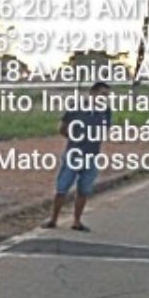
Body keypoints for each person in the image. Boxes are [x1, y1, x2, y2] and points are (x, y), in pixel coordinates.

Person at [43, 81, 112, 232]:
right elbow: (62, 128)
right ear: (92, 93)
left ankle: (77, 220)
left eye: (107, 96)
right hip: (74, 153)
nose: (104, 98)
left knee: (84, 190)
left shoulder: (105, 112)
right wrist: (75, 139)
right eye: (102, 94)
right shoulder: (76, 108)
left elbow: (105, 129)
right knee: (62, 188)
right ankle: (53, 219)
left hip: (92, 155)